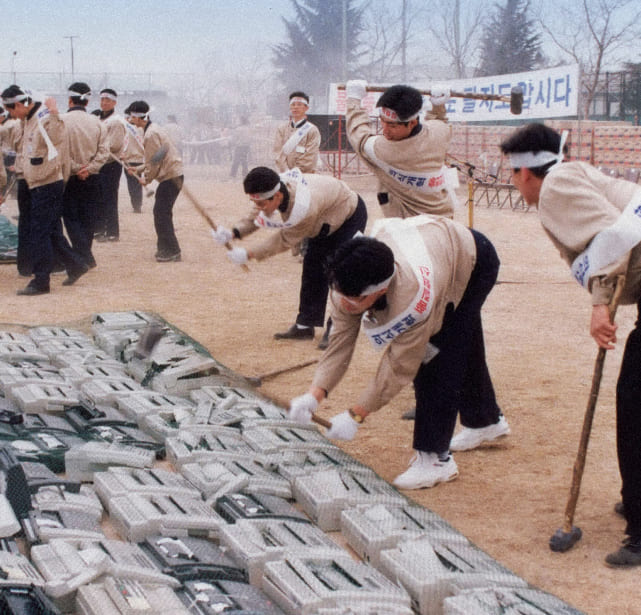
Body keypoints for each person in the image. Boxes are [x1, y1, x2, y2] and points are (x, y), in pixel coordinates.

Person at [500, 122, 641, 568]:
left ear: (526, 172)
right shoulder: (571, 174)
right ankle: (633, 496)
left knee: (635, 403)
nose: (511, 181)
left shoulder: (558, 185)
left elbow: (611, 240)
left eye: (512, 173)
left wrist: (601, 306)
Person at [287, 215, 505, 489]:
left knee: (436, 356)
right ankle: (485, 420)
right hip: (437, 247)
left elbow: (400, 366)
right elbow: (339, 344)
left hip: (472, 262)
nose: (347, 305)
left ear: (382, 289)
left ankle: (436, 460)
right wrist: (314, 395)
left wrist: (356, 414)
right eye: (343, 296)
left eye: (356, 300)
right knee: (461, 342)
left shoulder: (413, 297)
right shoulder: (346, 281)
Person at [212, 166, 367, 347]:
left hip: (348, 216)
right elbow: (258, 214)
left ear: (277, 197)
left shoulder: (304, 208)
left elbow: (283, 241)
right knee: (312, 269)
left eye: (261, 203)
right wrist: (234, 233)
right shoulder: (274, 187)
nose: (259, 207)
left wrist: (248, 253)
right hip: (322, 221)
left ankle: (337, 330)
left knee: (339, 272)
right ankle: (304, 326)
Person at [1, 85, 87, 295]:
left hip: (47, 183)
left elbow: (58, 138)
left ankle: (41, 281)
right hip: (34, 183)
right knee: (49, 230)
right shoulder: (25, 121)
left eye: (10, 109)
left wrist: (55, 113)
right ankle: (75, 264)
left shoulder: (45, 117)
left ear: (20, 104)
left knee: (39, 232)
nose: (10, 114)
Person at [344, 80, 456, 219]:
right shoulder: (439, 132)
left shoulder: (385, 150)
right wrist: (438, 105)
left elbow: (358, 135)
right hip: (445, 217)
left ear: (412, 123)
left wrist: (354, 100)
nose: (385, 131)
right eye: (382, 121)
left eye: (392, 126)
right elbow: (439, 121)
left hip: (410, 225)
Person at [127, 100, 183, 262]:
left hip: (171, 176)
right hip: (173, 174)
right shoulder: (154, 129)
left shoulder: (150, 134)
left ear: (137, 117)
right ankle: (165, 248)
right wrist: (138, 170)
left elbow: (155, 162)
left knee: (161, 213)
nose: (130, 119)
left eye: (131, 116)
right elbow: (156, 158)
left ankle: (172, 250)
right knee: (162, 212)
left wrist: (147, 179)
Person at [61, 82, 109, 268]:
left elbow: (60, 152)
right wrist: (89, 169)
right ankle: (85, 253)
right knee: (88, 217)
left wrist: (76, 168)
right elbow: (104, 152)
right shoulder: (98, 123)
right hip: (93, 177)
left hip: (70, 177)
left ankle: (83, 255)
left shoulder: (61, 121)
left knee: (71, 217)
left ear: (70, 100)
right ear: (87, 101)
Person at [95, 88, 125, 240]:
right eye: (102, 100)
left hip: (111, 163)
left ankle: (112, 232)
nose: (104, 103)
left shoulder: (116, 121)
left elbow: (114, 145)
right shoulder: (98, 119)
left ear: (114, 102)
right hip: (99, 163)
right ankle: (99, 228)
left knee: (109, 197)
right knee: (98, 197)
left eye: (107, 100)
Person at [272, 91, 320, 173]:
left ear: (306, 108)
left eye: (299, 104)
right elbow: (278, 152)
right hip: (285, 174)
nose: (295, 107)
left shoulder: (312, 130)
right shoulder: (281, 129)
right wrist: (286, 171)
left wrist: (296, 173)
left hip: (306, 175)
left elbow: (310, 156)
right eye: (293, 104)